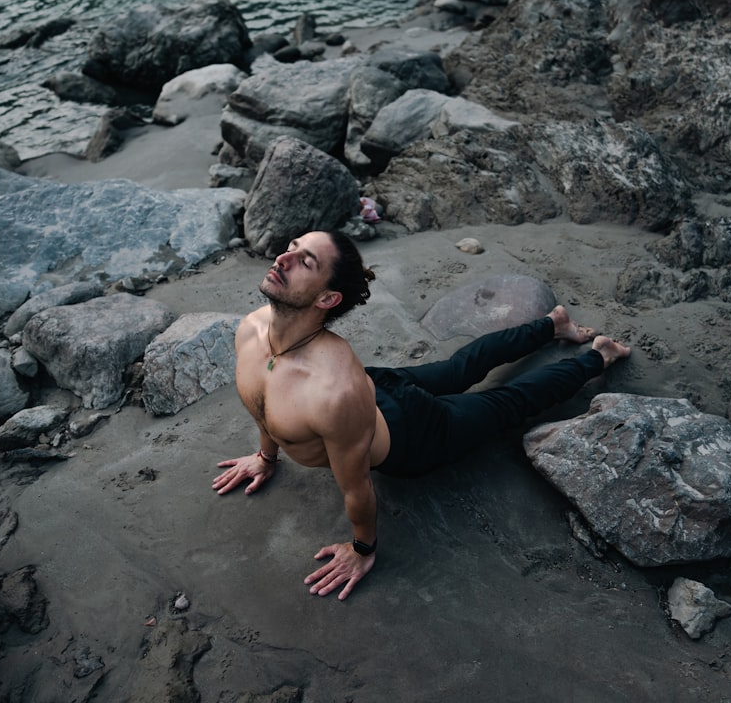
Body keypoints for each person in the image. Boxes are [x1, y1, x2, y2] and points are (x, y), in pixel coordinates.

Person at [213, 230, 630, 600]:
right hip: (377, 386)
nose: (281, 258)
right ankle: (551, 325)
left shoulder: (333, 391)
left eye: (305, 261)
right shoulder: (251, 329)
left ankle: (598, 356)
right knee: (456, 370)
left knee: (507, 404)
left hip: (414, 433)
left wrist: (362, 549)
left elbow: (357, 488)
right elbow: (263, 402)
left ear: (327, 298)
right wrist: (266, 456)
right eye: (292, 247)